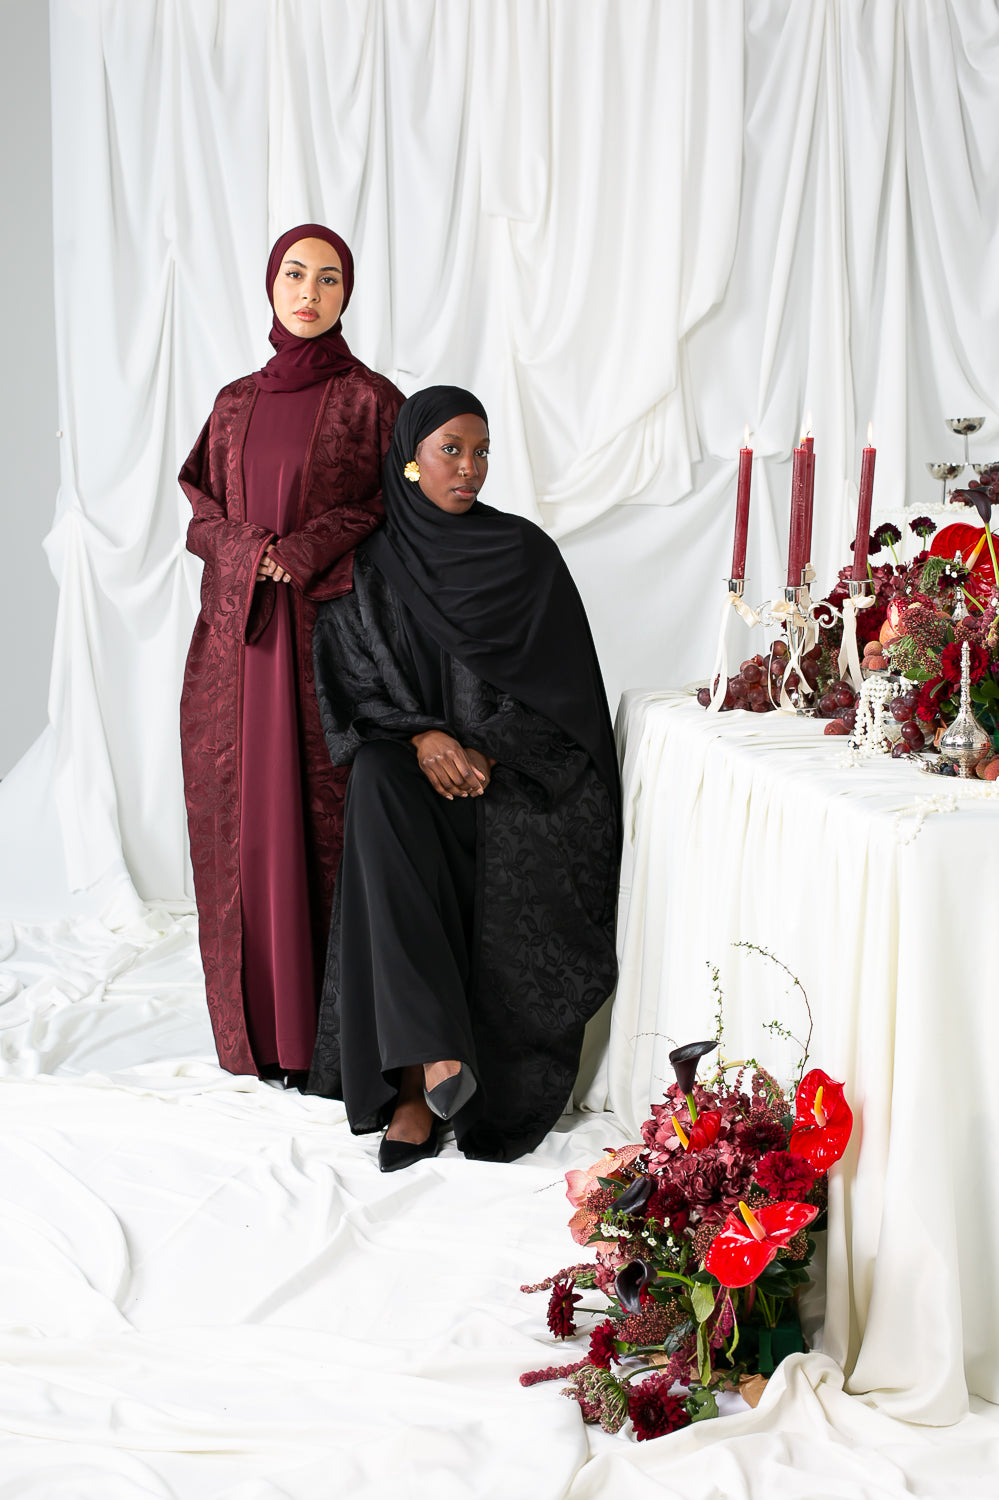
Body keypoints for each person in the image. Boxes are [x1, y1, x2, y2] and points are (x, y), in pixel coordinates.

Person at [306, 386, 620, 1168]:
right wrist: (426, 738)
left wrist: (486, 751)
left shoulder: (524, 554)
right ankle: (423, 1073)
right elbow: (352, 688)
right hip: (417, 770)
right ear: (410, 459)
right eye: (450, 449)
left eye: (481, 452)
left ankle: (420, 1085)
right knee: (378, 779)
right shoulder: (370, 566)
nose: (469, 468)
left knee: (391, 811)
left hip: (516, 781)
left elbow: (566, 695)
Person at [180, 224, 403, 1080]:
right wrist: (252, 552)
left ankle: (332, 1038)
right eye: (295, 275)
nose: (309, 293)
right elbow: (200, 508)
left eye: (329, 278)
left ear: (348, 293)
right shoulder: (233, 402)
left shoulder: (371, 400)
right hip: (239, 645)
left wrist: (306, 549)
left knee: (326, 822)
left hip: (328, 644)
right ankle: (258, 1038)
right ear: (271, 284)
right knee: (246, 823)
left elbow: (396, 505)